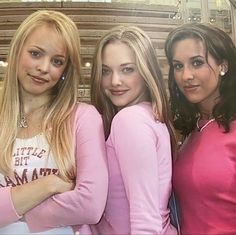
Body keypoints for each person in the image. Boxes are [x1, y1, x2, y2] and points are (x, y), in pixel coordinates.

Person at [0, 10, 108, 234]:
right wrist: (47, 185)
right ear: (17, 50)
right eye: (35, 53)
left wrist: (11, 208)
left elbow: (91, 205)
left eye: (57, 61)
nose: (44, 67)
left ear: (65, 71)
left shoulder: (83, 117)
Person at [90, 25, 177, 235]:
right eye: (106, 71)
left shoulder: (130, 120)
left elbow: (146, 220)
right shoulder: (149, 116)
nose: (115, 81)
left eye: (127, 69)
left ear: (146, 71)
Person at [165, 22, 236, 235]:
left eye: (196, 63)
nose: (185, 76)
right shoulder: (193, 129)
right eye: (178, 66)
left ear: (223, 65)